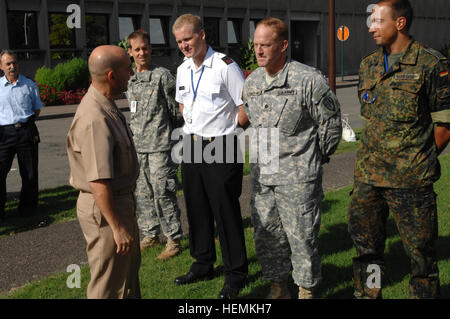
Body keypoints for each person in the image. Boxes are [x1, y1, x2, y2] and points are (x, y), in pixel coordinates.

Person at [348, 0, 450, 299]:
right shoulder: (369, 64)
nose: (371, 27)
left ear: (400, 23)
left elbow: (444, 124)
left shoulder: (431, 64)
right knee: (367, 251)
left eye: (378, 21)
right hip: (368, 178)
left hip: (411, 180)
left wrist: (418, 158)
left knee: (421, 257)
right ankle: (370, 294)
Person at [242, 18, 342, 299]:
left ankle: (306, 289)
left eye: (266, 45)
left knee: (302, 237)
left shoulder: (308, 79)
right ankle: (278, 285)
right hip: (264, 176)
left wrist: (313, 159)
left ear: (283, 45)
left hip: (298, 178)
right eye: (256, 44)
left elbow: (331, 123)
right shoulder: (252, 83)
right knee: (267, 235)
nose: (259, 50)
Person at [172, 14, 249, 299]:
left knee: (225, 211)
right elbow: (183, 105)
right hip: (192, 144)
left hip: (222, 144)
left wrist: (226, 133)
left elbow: (245, 106)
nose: (184, 46)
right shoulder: (182, 69)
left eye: (188, 39)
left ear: (202, 35)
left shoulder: (224, 66)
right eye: (179, 41)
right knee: (196, 208)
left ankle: (236, 273)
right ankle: (203, 263)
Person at [66, 45, 141, 299]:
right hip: (108, 210)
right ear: (111, 76)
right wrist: (117, 227)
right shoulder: (95, 118)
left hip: (118, 204)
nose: (131, 72)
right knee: (109, 287)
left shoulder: (106, 104)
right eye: (127, 68)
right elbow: (98, 181)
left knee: (126, 279)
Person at [126, 31, 184, 260]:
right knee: (143, 193)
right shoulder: (131, 81)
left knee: (163, 192)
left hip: (161, 146)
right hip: (139, 148)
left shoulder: (162, 76)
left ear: (151, 49)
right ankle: (151, 234)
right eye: (137, 49)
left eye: (145, 48)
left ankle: (173, 239)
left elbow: (175, 111)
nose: (142, 53)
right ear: (130, 52)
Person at [0, 50, 43, 220]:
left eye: (14, 63)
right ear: (1, 67)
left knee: (29, 173)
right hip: (4, 134)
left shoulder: (29, 84)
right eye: (8, 64)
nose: (12, 66)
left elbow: (37, 109)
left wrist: (25, 124)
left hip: (26, 130)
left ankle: (28, 210)